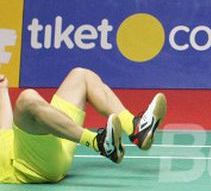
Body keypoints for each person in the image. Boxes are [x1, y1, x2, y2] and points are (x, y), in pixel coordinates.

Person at [0, 68, 167, 184]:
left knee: (80, 76)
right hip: (28, 167)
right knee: (27, 100)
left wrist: (2, 91)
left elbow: (4, 133)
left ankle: (136, 129)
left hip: (53, 142)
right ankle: (99, 143)